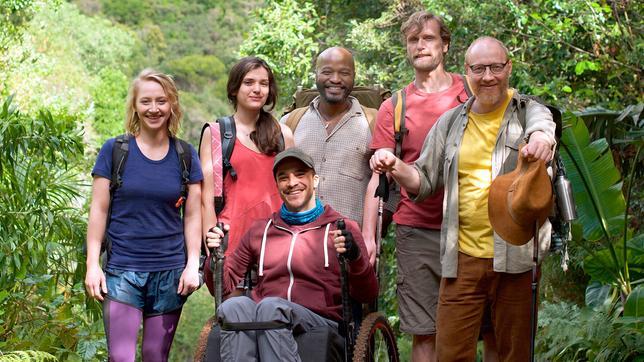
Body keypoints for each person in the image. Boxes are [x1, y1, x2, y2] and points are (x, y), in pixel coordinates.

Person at [370, 36, 556, 361]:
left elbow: (543, 127)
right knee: (451, 352)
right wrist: (396, 166)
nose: (488, 76)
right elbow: (424, 180)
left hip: (516, 258)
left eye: (496, 67)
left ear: (508, 68)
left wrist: (540, 138)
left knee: (514, 353)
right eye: (479, 68)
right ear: (466, 71)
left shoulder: (528, 111)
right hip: (462, 259)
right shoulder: (451, 122)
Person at [362, 11, 468, 361]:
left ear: (445, 45)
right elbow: (378, 175)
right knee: (425, 333)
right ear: (406, 48)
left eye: (429, 39)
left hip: (473, 228)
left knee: (478, 330)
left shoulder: (469, 93)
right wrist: (368, 237)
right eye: (413, 40)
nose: (420, 46)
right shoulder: (394, 106)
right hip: (416, 231)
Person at [205, 147, 378, 361]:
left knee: (271, 307)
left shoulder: (342, 228)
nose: (292, 182)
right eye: (283, 177)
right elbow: (224, 286)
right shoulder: (261, 230)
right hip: (268, 317)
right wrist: (215, 258)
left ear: (315, 180)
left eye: (299, 174)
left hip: (320, 319)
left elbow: (367, 294)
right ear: (277, 185)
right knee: (233, 306)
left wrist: (354, 257)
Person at [84, 69, 203, 361]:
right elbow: (98, 210)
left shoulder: (186, 155)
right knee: (121, 357)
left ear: (172, 104)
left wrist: (192, 264)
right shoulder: (115, 151)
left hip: (170, 274)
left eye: (161, 101)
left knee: (154, 356)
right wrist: (92, 265)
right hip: (123, 270)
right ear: (135, 106)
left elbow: (192, 216)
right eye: (146, 101)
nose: (154, 109)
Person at [280, 46, 379, 264]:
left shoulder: (374, 123)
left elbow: (389, 188)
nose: (335, 79)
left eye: (344, 73)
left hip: (350, 248)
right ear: (315, 75)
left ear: (354, 77)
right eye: (327, 72)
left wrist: (371, 234)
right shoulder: (290, 123)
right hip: (297, 246)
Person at [200, 56, 294, 262]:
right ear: (234, 88)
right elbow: (206, 196)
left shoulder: (283, 135)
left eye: (264, 83)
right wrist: (211, 238)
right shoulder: (216, 133)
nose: (257, 89)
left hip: (277, 243)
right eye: (248, 82)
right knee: (234, 296)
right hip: (230, 244)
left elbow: (295, 192)